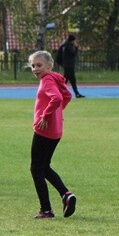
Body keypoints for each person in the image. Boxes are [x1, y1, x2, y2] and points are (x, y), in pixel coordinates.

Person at [27, 51, 75, 218]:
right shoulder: (55, 78)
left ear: (49, 66)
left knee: (36, 169)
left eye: (39, 65)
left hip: (44, 129)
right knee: (44, 167)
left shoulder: (47, 80)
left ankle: (46, 210)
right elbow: (67, 96)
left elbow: (56, 98)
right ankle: (66, 195)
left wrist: (46, 115)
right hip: (55, 130)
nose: (35, 69)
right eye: (33, 65)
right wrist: (57, 114)